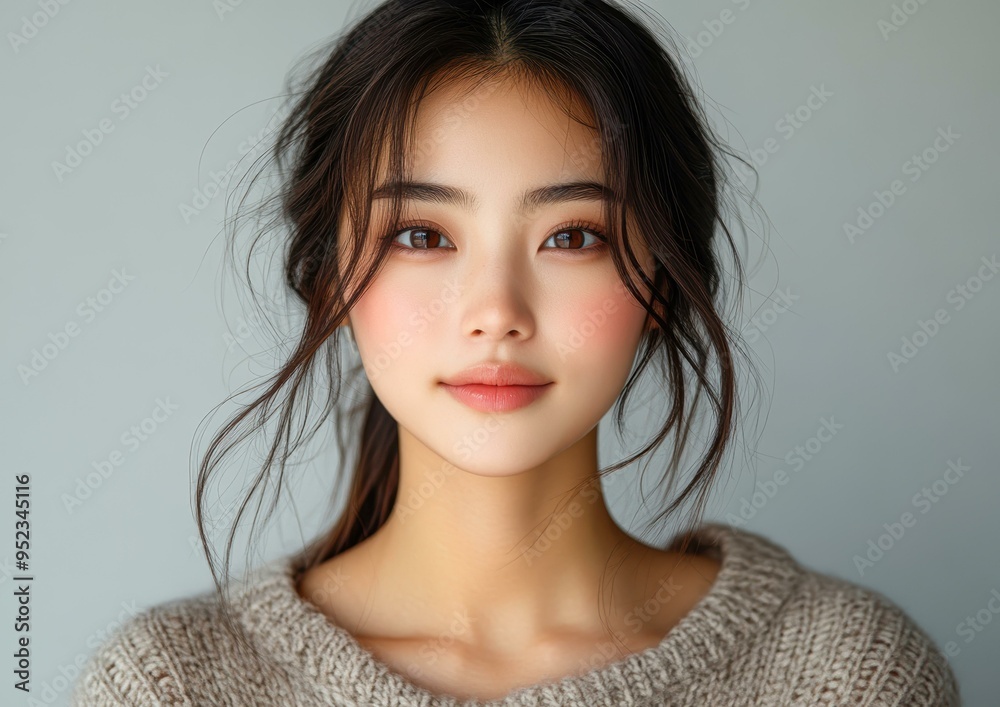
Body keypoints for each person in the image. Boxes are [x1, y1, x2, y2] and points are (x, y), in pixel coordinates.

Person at [72, 0, 960, 704]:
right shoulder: (172, 685)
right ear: (329, 280)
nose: (496, 313)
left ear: (663, 281)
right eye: (421, 235)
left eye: (572, 237)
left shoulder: (848, 677)